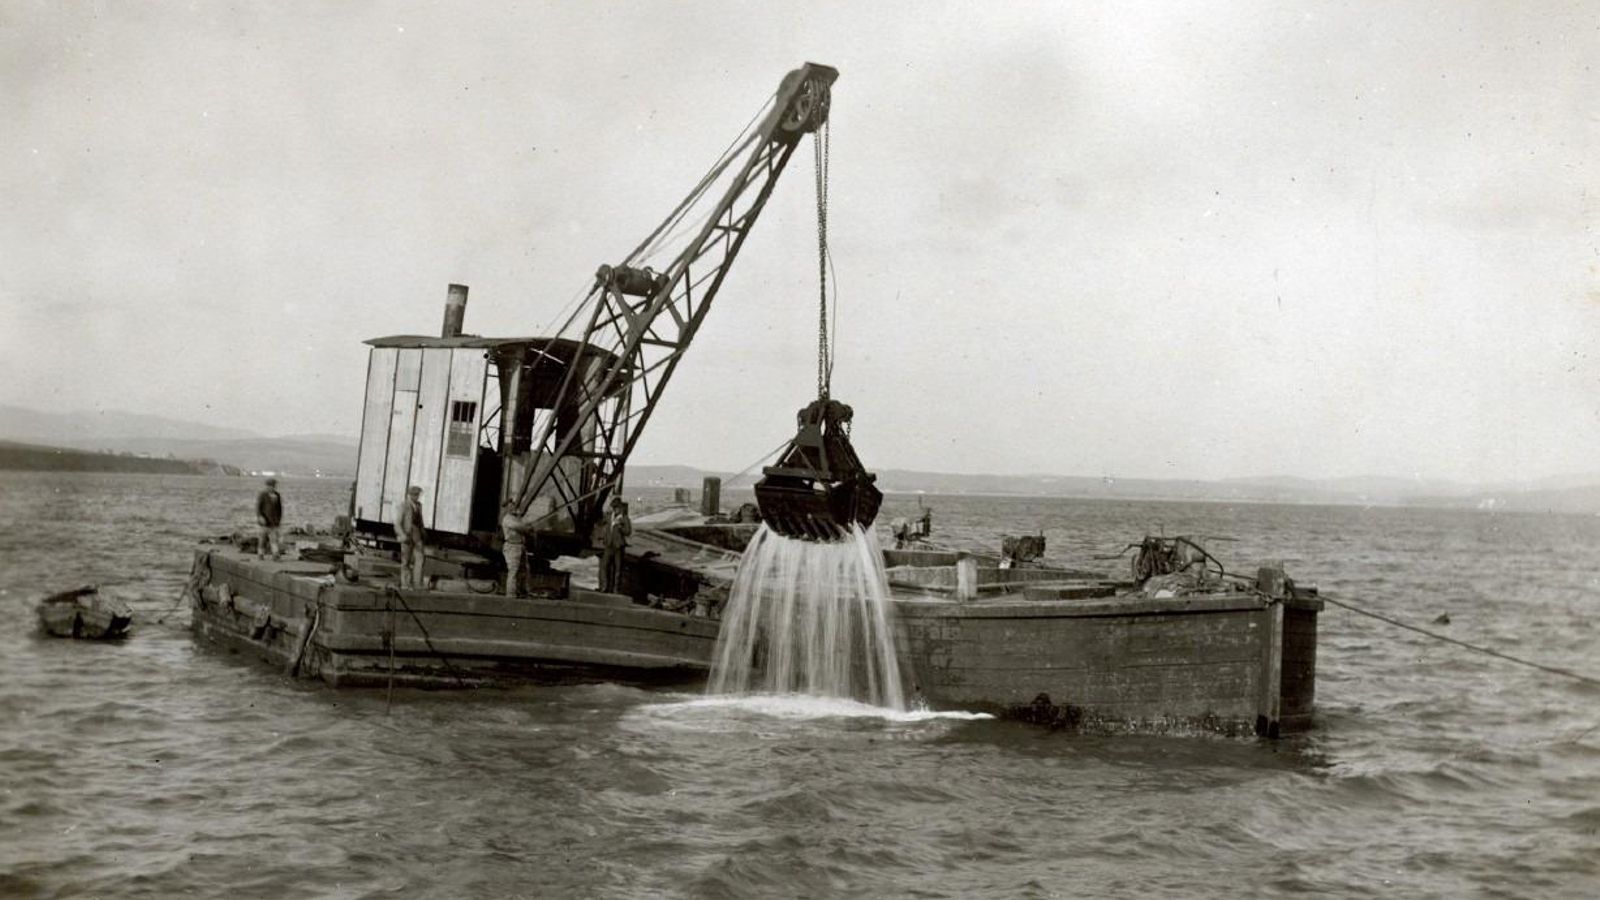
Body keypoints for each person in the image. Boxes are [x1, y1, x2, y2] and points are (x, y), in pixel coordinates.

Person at [397, 485, 427, 590]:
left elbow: (420, 522)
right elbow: (397, 523)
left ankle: (417, 583)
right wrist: (402, 535)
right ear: (410, 495)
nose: (417, 497)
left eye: (418, 495)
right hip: (407, 536)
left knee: (420, 559)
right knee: (406, 561)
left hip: (418, 537)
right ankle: (405, 584)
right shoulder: (403, 505)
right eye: (415, 495)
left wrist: (423, 533)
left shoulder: (419, 506)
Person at [599, 497, 631, 594]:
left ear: (620, 508)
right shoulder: (609, 517)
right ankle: (604, 587)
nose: (616, 509)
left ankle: (615, 589)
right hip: (609, 544)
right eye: (614, 507)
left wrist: (620, 526)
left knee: (617, 569)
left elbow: (628, 532)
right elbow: (602, 523)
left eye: (617, 507)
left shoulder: (624, 519)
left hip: (618, 546)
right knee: (604, 566)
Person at [256, 477, 283, 561]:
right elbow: (258, 508)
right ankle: (260, 554)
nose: (272, 487)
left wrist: (279, 519)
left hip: (274, 522)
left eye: (273, 486)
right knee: (263, 539)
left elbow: (279, 508)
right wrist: (260, 517)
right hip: (264, 522)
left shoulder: (277, 495)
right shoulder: (262, 495)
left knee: (274, 539)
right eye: (270, 486)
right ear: (267, 486)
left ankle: (275, 554)